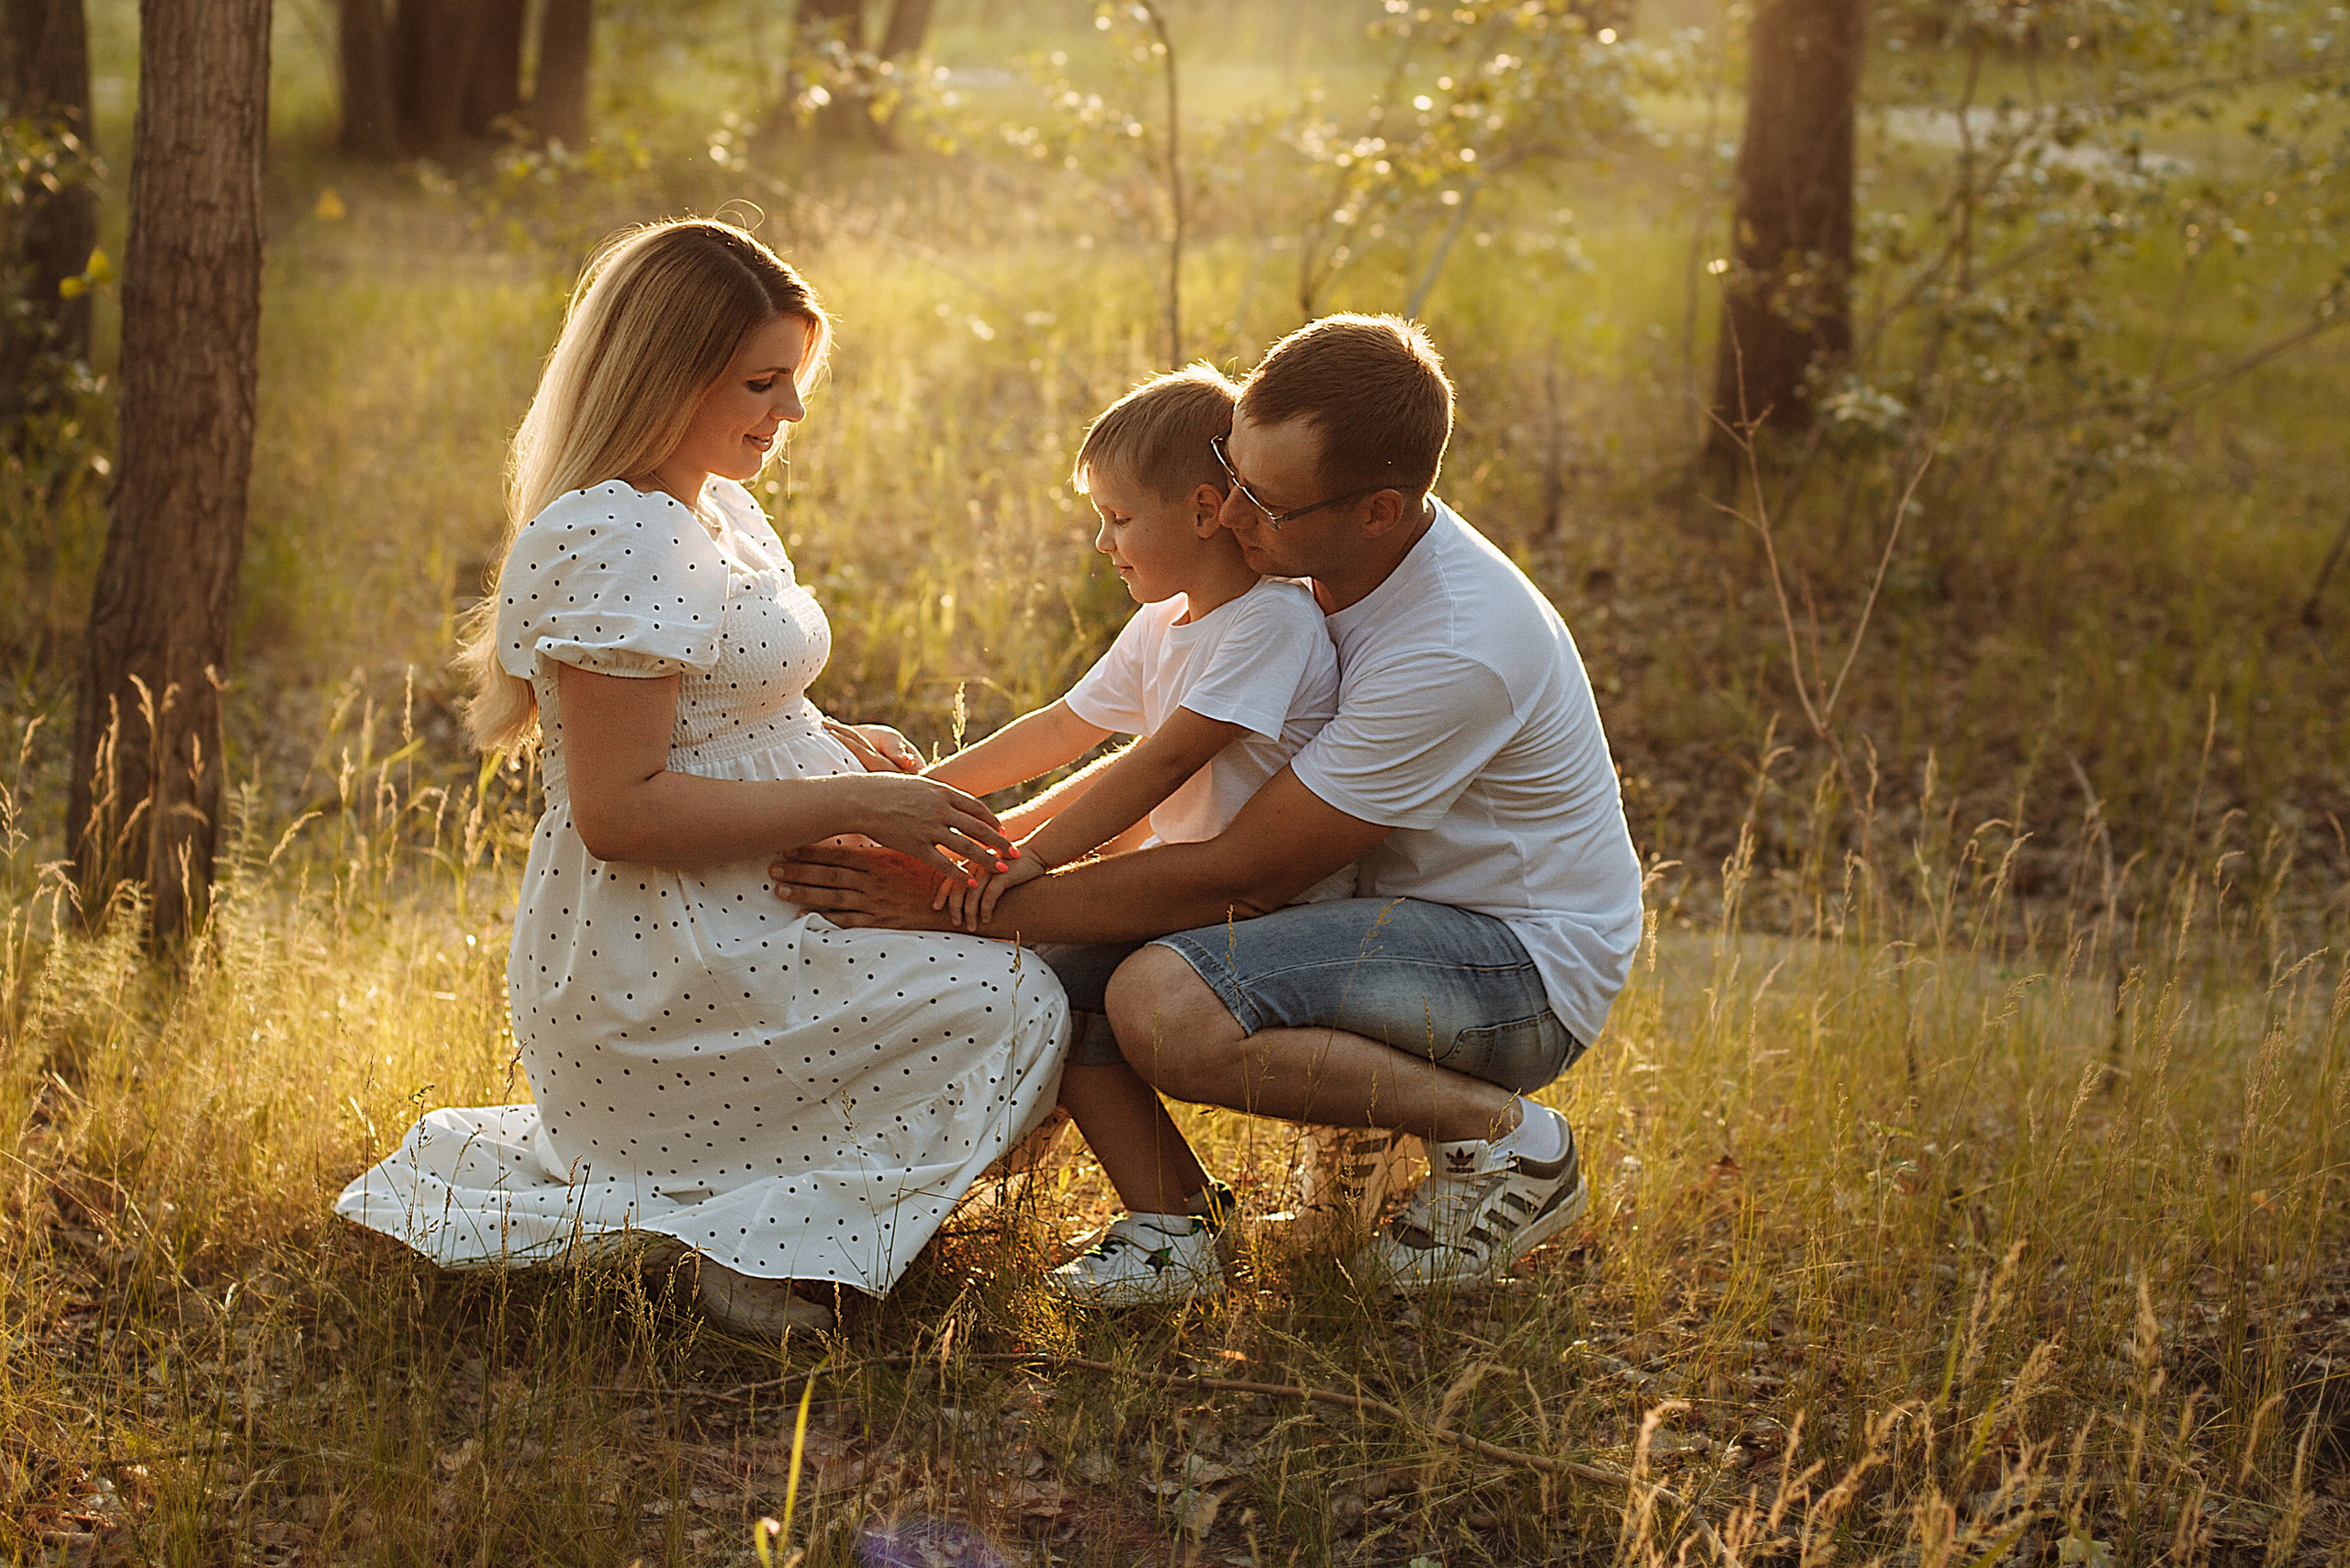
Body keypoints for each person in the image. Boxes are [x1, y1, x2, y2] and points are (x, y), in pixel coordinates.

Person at [772, 312, 1643, 1302]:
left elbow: (1244, 869)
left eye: (1263, 502)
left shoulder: (1452, 646)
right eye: (1233, 474)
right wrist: (940, 826)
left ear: (1378, 511)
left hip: (1514, 962)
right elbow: (1119, 755)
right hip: (1371, 918)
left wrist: (951, 899)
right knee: (1070, 973)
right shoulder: (1287, 574)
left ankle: (1510, 1146)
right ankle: (1185, 1219)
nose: (1228, 515)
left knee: (1160, 1000)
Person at [334, 218, 1069, 1338]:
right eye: (763, 382)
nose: (792, 414)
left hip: (753, 900)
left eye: (796, 380)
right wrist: (861, 801)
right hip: (667, 951)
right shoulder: (622, 533)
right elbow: (620, 810)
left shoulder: (712, 502)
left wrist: (831, 733)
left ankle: (769, 1212)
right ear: (665, 375)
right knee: (1015, 1002)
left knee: (1022, 964)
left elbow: (718, 701)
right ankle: (745, 1234)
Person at [925, 364, 1342, 1288]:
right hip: (1181, 882)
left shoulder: (1268, 623)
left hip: (1268, 905)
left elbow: (1158, 764)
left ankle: (1176, 1228)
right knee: (1036, 975)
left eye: (1117, 518)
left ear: (1202, 511)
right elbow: (1064, 731)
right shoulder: (1166, 621)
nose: (1101, 543)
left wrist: (1028, 859)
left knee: (1060, 989)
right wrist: (924, 799)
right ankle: (1128, 1196)